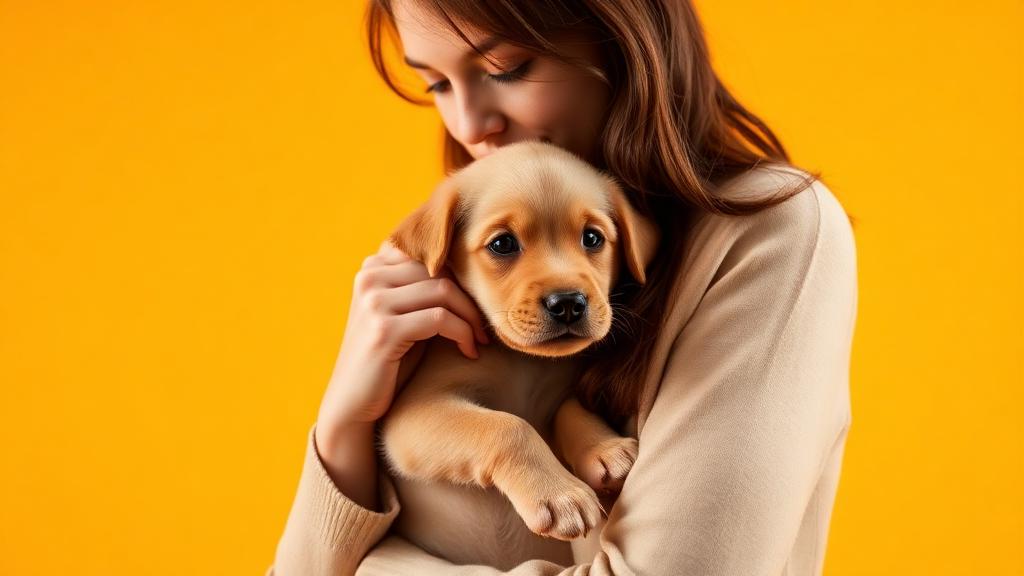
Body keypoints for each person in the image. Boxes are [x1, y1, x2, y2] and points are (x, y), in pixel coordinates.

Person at [268, 0, 858, 574]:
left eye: (506, 70)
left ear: (623, 37)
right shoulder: (459, 263)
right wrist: (344, 423)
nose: (470, 124)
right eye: (437, 85)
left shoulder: (769, 231)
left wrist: (371, 567)